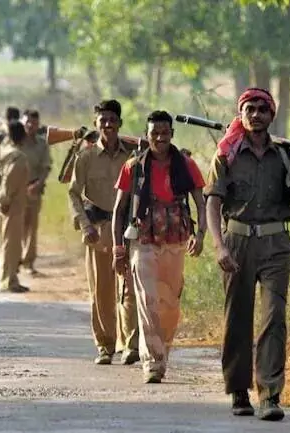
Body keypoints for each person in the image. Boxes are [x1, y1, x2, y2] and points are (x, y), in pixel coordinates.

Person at [203, 88, 290, 421]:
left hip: (276, 245)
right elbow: (213, 201)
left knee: (273, 318)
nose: (257, 114)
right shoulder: (227, 153)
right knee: (237, 318)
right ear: (242, 112)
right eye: (250, 108)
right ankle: (238, 391)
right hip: (237, 243)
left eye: (263, 109)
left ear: (272, 115)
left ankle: (270, 395)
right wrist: (219, 245)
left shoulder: (287, 156)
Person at [112, 110, 206, 384]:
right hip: (143, 241)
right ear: (147, 134)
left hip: (176, 242)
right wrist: (119, 248)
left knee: (170, 305)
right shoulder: (134, 166)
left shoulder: (186, 164)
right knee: (147, 300)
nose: (160, 138)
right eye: (155, 133)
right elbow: (119, 210)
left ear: (172, 135)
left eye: (165, 133)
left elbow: (201, 203)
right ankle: (153, 362)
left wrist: (199, 235)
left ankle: (162, 351)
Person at [68, 99, 139, 366]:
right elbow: (74, 194)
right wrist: (84, 225)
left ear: (119, 123)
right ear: (96, 124)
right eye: (103, 121)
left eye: (112, 120)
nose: (108, 125)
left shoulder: (132, 157)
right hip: (97, 231)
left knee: (130, 287)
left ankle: (131, 344)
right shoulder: (85, 158)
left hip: (127, 231)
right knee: (102, 290)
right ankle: (105, 346)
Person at [0, 120, 31, 294]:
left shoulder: (4, 152)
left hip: (7, 203)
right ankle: (7, 281)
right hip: (12, 205)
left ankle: (11, 278)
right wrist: (5, 201)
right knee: (10, 245)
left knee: (10, 244)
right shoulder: (18, 157)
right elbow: (10, 181)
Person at [18, 109, 52, 276]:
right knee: (18, 226)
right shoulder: (16, 143)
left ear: (38, 124)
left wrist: (38, 184)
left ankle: (29, 262)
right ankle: (16, 259)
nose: (30, 125)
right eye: (27, 122)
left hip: (34, 189)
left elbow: (46, 167)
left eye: (33, 122)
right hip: (17, 190)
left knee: (32, 227)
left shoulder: (41, 144)